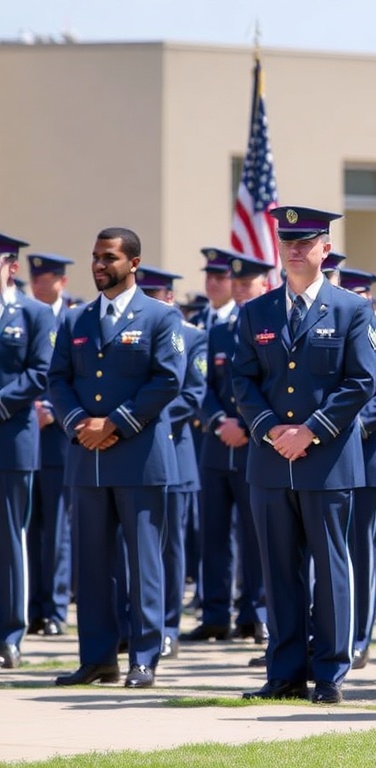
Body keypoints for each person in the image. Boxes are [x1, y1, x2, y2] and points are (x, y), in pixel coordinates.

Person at [232, 206, 376, 704]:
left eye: (305, 241)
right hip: (272, 459)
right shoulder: (257, 311)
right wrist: (271, 429)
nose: (294, 249)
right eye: (287, 241)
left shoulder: (351, 309)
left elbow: (361, 381)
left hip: (327, 460)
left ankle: (330, 672)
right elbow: (243, 381)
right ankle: (285, 672)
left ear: (325, 249)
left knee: (331, 569)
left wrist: (311, 431)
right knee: (278, 571)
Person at [50, 226, 186, 689]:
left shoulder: (160, 317)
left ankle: (143, 659)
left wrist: (114, 423)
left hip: (140, 458)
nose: (99, 265)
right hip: (87, 458)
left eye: (108, 257)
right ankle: (97, 658)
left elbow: (168, 380)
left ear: (133, 264)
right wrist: (78, 423)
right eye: (95, 256)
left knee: (144, 562)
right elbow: (57, 380)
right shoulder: (76, 320)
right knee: (92, 564)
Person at [187, 249, 271, 646]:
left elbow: (272, 387)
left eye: (246, 283)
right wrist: (220, 422)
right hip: (218, 446)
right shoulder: (217, 332)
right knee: (213, 534)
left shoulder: (271, 327)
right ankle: (215, 615)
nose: (238, 288)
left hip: (256, 445)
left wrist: (248, 425)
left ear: (264, 285)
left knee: (257, 536)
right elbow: (200, 385)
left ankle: (255, 614)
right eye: (235, 282)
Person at [133, 266, 207, 660]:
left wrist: (138, 418)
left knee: (170, 549)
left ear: (169, 297)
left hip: (173, 456)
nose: (149, 301)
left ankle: (167, 627)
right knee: (133, 548)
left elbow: (192, 395)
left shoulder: (191, 337)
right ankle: (134, 626)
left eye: (155, 294)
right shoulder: (128, 333)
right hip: (129, 455)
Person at [336, 266, 376, 671]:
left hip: (369, 452)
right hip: (330, 454)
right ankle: (329, 633)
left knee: (362, 550)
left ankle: (360, 637)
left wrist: (352, 424)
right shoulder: (332, 323)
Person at [0, 236, 55, 669]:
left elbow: (41, 371)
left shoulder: (33, 313)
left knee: (9, 538)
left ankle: (9, 634)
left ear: (11, 267)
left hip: (11, 440)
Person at [25, 253, 77, 638]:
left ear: (61, 281)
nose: (39, 284)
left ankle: (56, 609)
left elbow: (77, 379)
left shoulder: (72, 320)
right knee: (29, 528)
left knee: (57, 529)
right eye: (35, 278)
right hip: (27, 437)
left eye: (46, 278)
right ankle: (32, 607)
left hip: (60, 440)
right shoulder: (26, 316)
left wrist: (55, 413)